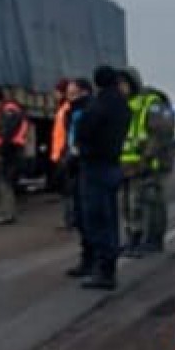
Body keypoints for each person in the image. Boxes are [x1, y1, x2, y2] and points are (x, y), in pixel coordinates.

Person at [72, 65, 131, 289]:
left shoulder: (99, 105)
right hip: (113, 163)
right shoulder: (122, 105)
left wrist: (81, 149)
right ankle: (108, 265)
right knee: (110, 217)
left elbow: (84, 131)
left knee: (96, 218)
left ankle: (104, 270)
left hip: (95, 165)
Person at [118, 68, 175, 258]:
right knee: (130, 204)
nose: (120, 88)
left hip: (151, 164)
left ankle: (153, 240)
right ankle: (134, 237)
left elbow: (160, 135)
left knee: (152, 202)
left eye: (123, 84)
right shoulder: (126, 105)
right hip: (128, 165)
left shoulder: (152, 104)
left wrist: (146, 159)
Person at [0, 88, 32, 226]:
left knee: (4, 183)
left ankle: (7, 214)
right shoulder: (6, 111)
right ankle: (6, 213)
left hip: (8, 152)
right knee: (4, 183)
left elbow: (6, 133)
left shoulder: (8, 111)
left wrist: (0, 152)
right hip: (8, 151)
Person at [60, 78, 91, 232]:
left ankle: (83, 221)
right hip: (71, 154)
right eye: (68, 93)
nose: (69, 96)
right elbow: (69, 133)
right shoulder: (69, 111)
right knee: (72, 190)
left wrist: (78, 150)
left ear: (84, 92)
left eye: (73, 93)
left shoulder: (88, 109)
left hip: (83, 156)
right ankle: (76, 220)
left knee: (83, 191)